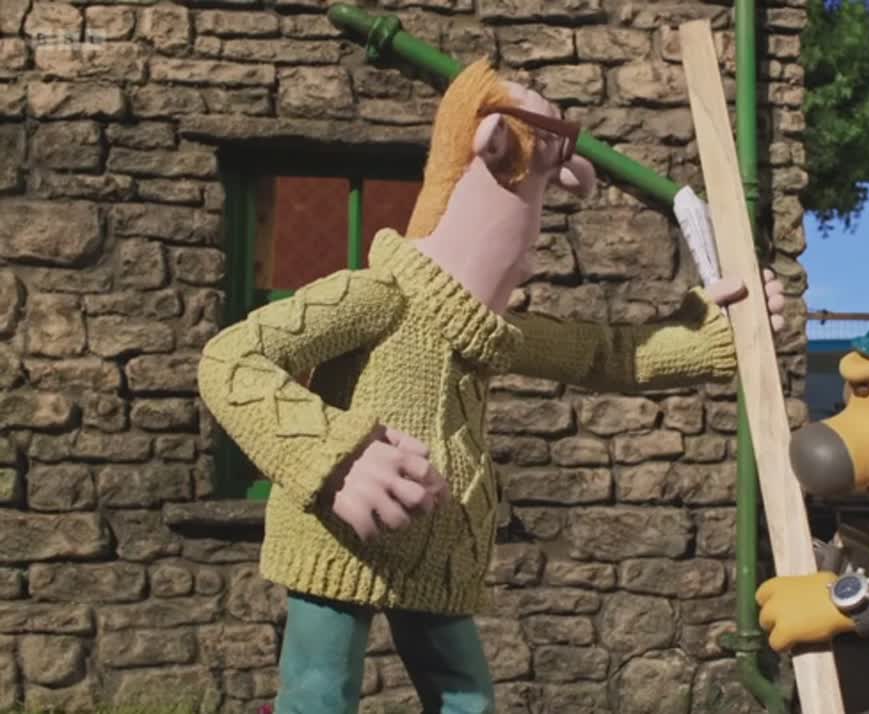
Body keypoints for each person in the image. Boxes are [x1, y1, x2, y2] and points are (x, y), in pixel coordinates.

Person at [197, 60, 786, 714]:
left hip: (438, 550)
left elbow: (610, 353)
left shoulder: (488, 332)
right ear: (491, 143)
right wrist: (335, 456)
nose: (527, 255)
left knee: (467, 700)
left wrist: (714, 332)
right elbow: (231, 359)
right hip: (335, 540)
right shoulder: (375, 298)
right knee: (318, 695)